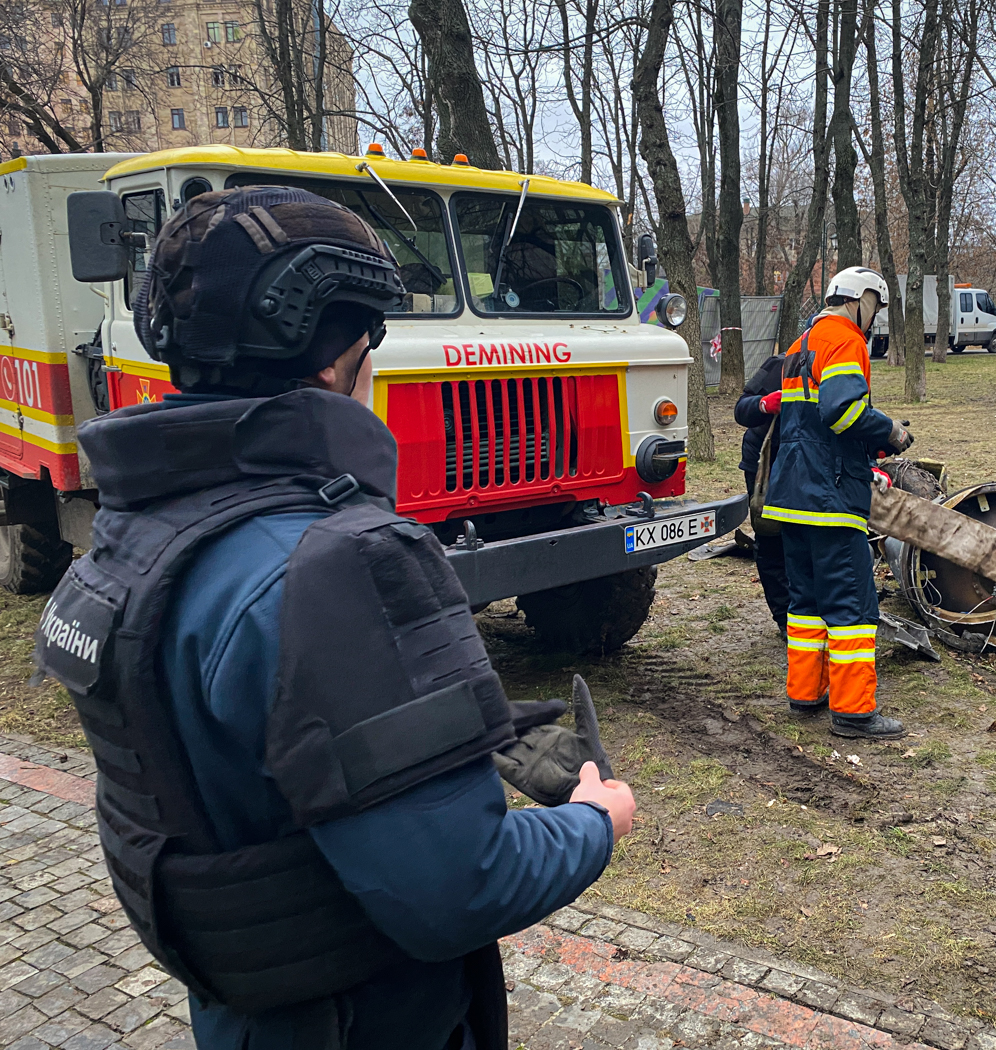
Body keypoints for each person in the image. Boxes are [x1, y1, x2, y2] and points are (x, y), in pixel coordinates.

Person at [34, 186, 635, 1050]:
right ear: (335, 362)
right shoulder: (347, 559)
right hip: (368, 1020)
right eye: (371, 344)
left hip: (245, 1016)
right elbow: (463, 885)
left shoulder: (138, 531)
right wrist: (594, 821)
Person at [761, 267, 914, 739]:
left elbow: (808, 422)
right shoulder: (846, 340)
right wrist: (890, 431)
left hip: (790, 494)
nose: (875, 318)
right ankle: (853, 712)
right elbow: (843, 411)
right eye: (876, 308)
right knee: (852, 607)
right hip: (829, 497)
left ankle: (806, 693)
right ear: (861, 299)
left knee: (806, 603)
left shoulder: (799, 344)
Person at [734, 352, 790, 629]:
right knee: (770, 537)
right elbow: (741, 409)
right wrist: (764, 404)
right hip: (765, 465)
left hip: (806, 464)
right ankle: (784, 617)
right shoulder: (780, 364)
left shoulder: (842, 368)